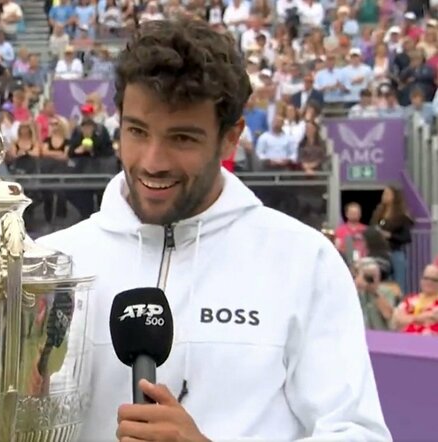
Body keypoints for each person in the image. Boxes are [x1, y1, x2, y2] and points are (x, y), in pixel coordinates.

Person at [37, 19, 390, 441]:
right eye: (137, 131)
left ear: (230, 138)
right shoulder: (52, 263)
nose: (153, 161)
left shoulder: (302, 261)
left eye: (182, 138)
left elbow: (358, 434)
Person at [370, 186, 414, 295]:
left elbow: (406, 238)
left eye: (387, 194)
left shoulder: (401, 217)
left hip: (395, 252)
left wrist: (390, 235)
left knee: (399, 282)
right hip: (381, 253)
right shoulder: (378, 214)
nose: (384, 196)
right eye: (384, 194)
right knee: (382, 282)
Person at [391, 264, 438, 335]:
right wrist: (419, 318)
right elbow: (396, 320)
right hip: (404, 342)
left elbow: (432, 318)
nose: (429, 282)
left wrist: (407, 319)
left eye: (434, 280)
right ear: (421, 280)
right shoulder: (410, 300)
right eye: (426, 278)